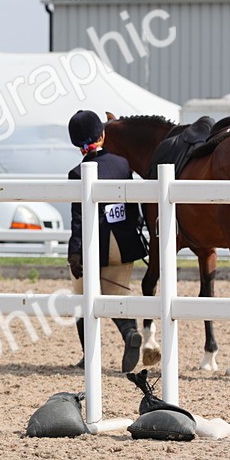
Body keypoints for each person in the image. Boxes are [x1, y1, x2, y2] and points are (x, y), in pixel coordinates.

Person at [66, 110, 147, 372]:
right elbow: (133, 205)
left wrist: (75, 251)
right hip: (122, 240)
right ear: (103, 135)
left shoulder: (77, 172)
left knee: (83, 297)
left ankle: (88, 356)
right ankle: (129, 334)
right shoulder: (123, 164)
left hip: (94, 243)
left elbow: (79, 217)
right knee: (117, 293)